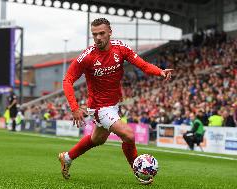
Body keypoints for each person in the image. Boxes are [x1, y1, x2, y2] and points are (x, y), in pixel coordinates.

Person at [58, 18, 173, 183]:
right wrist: (74, 108)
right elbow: (67, 79)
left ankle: (67, 158)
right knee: (129, 135)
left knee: (97, 139)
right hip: (99, 107)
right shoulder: (88, 56)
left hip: (113, 104)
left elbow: (142, 65)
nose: (98, 37)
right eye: (94, 34)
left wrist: (159, 72)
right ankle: (139, 171)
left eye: (102, 33)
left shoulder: (121, 49)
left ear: (110, 32)